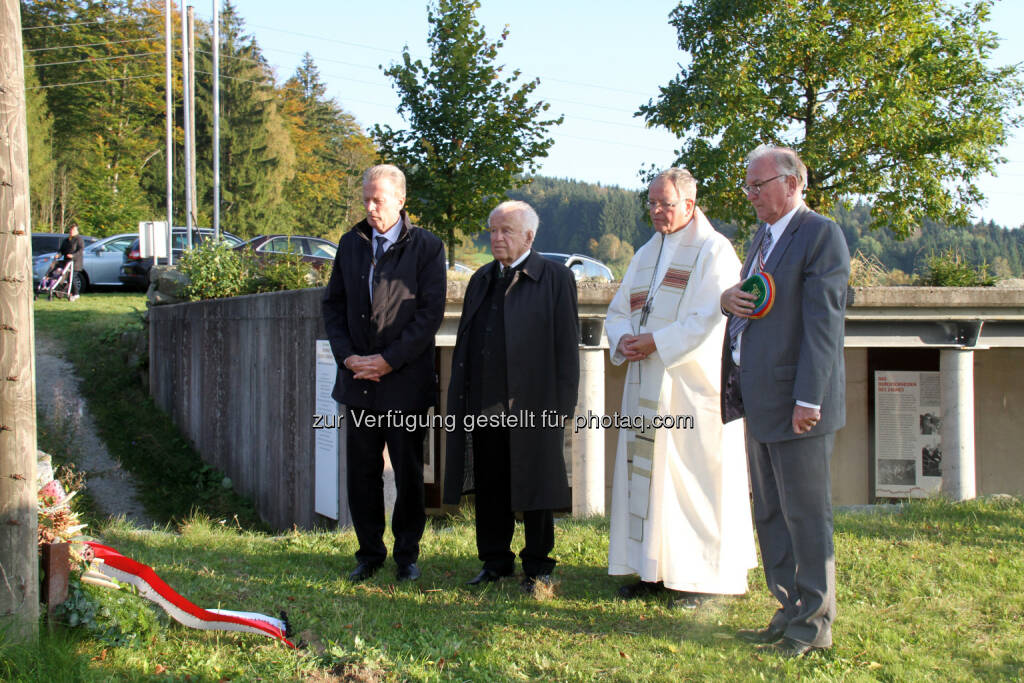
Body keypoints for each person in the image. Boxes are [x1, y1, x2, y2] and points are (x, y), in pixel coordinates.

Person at [720, 145, 850, 657]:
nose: (751, 195)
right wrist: (727, 299)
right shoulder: (762, 238)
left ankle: (814, 626)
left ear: (793, 184)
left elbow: (823, 327)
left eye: (759, 185)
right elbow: (754, 304)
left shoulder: (820, 235)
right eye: (747, 187)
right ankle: (788, 609)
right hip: (760, 401)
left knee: (806, 516)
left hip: (799, 408)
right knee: (771, 513)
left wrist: (809, 400)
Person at [605, 168, 756, 609]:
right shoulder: (646, 253)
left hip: (692, 389)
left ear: (689, 205)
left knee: (694, 483)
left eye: (665, 204)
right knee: (649, 482)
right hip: (646, 382)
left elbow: (713, 320)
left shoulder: (714, 251)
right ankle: (653, 570)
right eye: (651, 203)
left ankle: (702, 580)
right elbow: (618, 310)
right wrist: (624, 338)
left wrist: (657, 342)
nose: (656, 211)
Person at [443, 200, 579, 594]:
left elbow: (566, 348)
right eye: (493, 231)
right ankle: (495, 561)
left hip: (535, 403)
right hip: (485, 401)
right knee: (490, 486)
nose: (497, 238)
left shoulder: (554, 278)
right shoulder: (482, 279)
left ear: (529, 237)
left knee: (536, 487)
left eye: (506, 231)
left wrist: (562, 408)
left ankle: (538, 565)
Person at [322, 164, 446, 583]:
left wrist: (388, 360)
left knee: (408, 473)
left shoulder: (427, 247)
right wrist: (349, 358)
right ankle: (369, 552)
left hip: (404, 382)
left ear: (400, 200)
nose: (370, 207)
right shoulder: (350, 243)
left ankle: (406, 555)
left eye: (378, 199)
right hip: (358, 381)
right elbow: (333, 307)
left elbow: (428, 315)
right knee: (361, 472)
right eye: (366, 199)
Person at [59, 223, 85, 301]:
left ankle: (76, 294)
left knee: (72, 278)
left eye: (73, 230)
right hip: (66, 262)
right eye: (71, 229)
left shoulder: (79, 240)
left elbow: (80, 251)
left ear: (77, 230)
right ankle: (69, 293)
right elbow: (62, 250)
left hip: (75, 263)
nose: (71, 231)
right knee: (66, 278)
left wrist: (73, 255)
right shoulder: (67, 240)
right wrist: (58, 254)